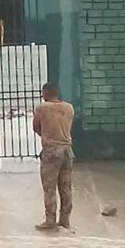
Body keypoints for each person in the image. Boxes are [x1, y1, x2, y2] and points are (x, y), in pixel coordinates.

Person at [33, 83, 75, 231]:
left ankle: (50, 220)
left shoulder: (42, 108)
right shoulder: (69, 108)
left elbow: (36, 127)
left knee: (49, 187)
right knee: (66, 187)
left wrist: (47, 135)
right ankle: (65, 220)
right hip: (67, 150)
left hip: (51, 151)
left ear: (45, 93)